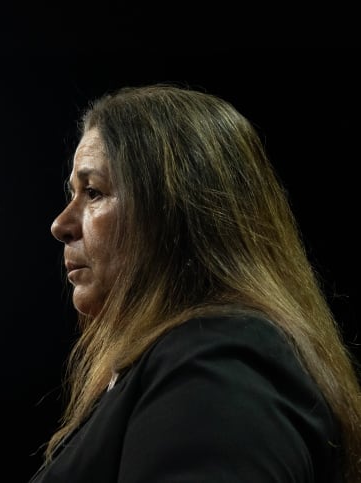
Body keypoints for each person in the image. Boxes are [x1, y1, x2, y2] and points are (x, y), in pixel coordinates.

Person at [30, 83, 361, 482]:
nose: (61, 224)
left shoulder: (220, 355)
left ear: (174, 212)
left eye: (94, 192)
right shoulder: (186, 358)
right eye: (74, 193)